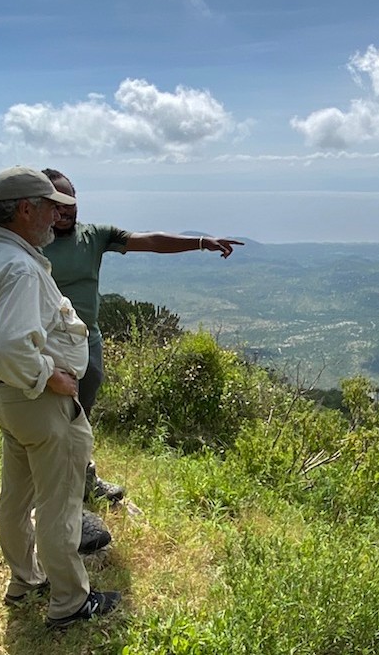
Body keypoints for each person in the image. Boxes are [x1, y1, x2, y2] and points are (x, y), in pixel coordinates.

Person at [0, 166, 120, 628]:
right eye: (49, 208)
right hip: (42, 405)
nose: (56, 218)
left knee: (15, 499)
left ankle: (24, 579)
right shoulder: (22, 267)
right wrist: (50, 378)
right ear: (26, 209)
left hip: (8, 399)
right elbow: (12, 345)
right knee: (59, 505)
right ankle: (69, 603)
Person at [40, 167, 242, 513]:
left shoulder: (95, 235)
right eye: (56, 204)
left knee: (81, 417)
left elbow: (149, 240)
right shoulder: (31, 245)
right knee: (52, 420)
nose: (65, 210)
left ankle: (83, 481)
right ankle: (55, 494)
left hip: (88, 341)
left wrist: (200, 243)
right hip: (48, 346)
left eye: (69, 201)